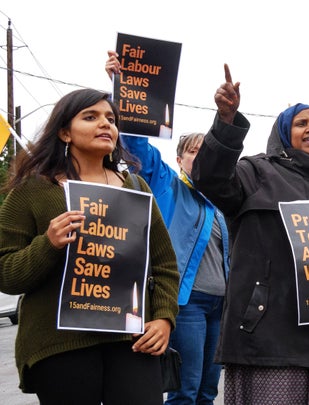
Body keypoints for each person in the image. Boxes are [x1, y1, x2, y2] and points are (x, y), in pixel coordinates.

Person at [190, 65, 309, 404]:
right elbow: (210, 179)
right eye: (301, 123)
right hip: (271, 335)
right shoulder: (256, 171)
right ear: (282, 132)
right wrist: (226, 124)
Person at [0, 88, 179, 404]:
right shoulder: (33, 189)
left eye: (111, 119)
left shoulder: (136, 187)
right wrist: (48, 244)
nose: (106, 124)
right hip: (61, 346)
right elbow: (6, 273)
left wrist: (164, 318)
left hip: (132, 342)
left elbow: (164, 265)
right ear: (64, 132)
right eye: (91, 117)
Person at [106, 51, 230, 405]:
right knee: (184, 389)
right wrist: (122, 90)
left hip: (220, 306)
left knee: (208, 389)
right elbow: (136, 145)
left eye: (209, 152)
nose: (202, 157)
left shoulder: (223, 199)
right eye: (195, 152)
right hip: (185, 304)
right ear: (179, 160)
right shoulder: (166, 184)